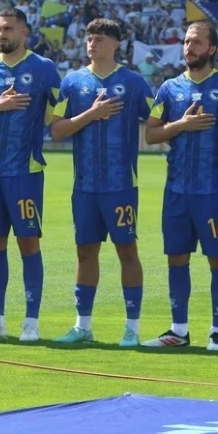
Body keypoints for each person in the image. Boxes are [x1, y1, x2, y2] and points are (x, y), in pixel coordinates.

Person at [48, 19, 153, 346]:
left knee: (127, 250)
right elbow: (57, 129)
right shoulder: (72, 82)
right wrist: (91, 114)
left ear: (116, 44)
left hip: (121, 184)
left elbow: (156, 119)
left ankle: (132, 329)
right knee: (85, 251)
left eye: (100, 39)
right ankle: (83, 327)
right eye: (90, 39)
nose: (92, 44)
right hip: (85, 185)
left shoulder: (133, 82)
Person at [0, 8, 60, 342]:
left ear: (24, 32)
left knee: (28, 242)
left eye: (8, 29)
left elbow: (60, 113)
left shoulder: (43, 69)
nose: (1, 34)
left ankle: (31, 322)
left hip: (25, 171)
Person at [141, 22, 218, 349]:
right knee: (177, 258)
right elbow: (151, 134)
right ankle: (178, 330)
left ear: (212, 49)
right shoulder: (169, 89)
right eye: (186, 41)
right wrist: (181, 124)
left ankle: (217, 332)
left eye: (196, 42)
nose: (189, 47)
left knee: (217, 259)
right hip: (176, 191)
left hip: (212, 191)